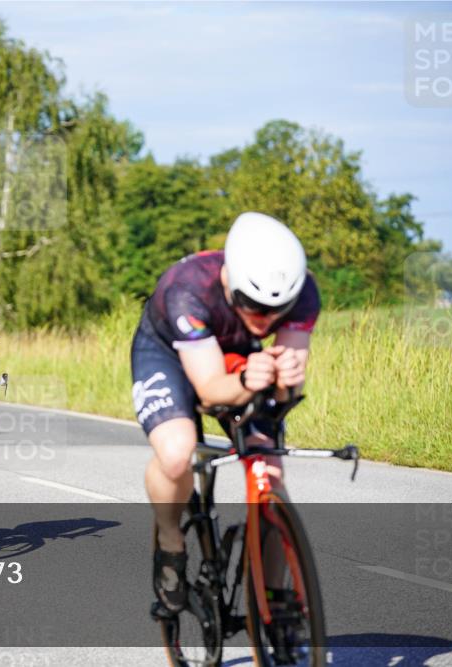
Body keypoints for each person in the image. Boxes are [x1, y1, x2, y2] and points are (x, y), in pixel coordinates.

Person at [130, 212, 320, 614]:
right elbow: (211, 390)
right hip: (169, 352)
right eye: (252, 305)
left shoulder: (305, 294)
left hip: (238, 358)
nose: (265, 320)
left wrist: (285, 379)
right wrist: (249, 379)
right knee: (177, 452)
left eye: (277, 310)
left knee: (269, 470)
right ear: (229, 281)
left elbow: (288, 387)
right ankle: (169, 542)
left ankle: (274, 599)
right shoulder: (187, 290)